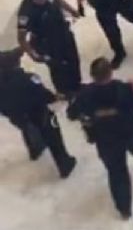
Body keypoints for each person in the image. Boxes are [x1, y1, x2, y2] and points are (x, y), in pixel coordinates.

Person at [67, 57, 133, 219]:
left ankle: (124, 209)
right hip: (131, 132)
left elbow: (71, 114)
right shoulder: (126, 89)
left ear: (92, 76)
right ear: (111, 72)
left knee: (116, 172)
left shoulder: (84, 95)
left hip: (106, 139)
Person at [0, 49, 76, 178]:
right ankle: (64, 164)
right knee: (53, 136)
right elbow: (43, 94)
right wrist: (56, 97)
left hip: (17, 116)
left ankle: (35, 150)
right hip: (38, 113)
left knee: (27, 129)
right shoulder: (28, 78)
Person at [16, 0, 82, 95]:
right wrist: (32, 53)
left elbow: (58, 0)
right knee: (58, 68)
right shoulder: (26, 12)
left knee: (73, 60)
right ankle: (64, 91)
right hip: (47, 43)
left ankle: (77, 85)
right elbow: (21, 37)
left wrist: (72, 11)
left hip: (63, 34)